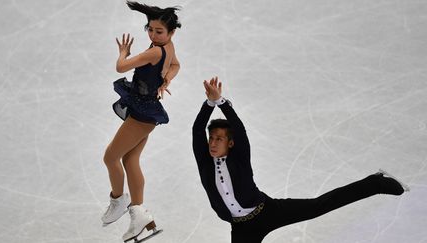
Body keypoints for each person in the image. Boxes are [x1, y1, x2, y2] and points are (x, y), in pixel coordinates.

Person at [192, 77, 410, 243]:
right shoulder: (204, 161)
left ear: (230, 143)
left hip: (266, 211)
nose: (212, 143)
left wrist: (218, 102)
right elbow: (196, 130)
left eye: (219, 139)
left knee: (316, 206)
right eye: (211, 138)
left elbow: (238, 128)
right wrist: (207, 107)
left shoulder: (239, 156)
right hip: (240, 228)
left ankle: (376, 183)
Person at [101, 1, 181, 242]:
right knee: (130, 158)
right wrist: (167, 79)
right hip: (146, 110)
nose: (153, 34)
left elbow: (120, 67)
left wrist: (123, 52)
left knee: (110, 157)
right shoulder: (167, 46)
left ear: (171, 32)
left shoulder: (155, 51)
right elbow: (176, 64)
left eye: (159, 31)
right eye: (150, 29)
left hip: (142, 113)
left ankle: (118, 201)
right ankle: (139, 214)